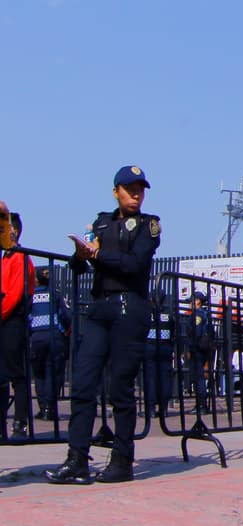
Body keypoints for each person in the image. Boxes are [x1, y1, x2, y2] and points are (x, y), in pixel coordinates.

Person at [45, 166, 161, 485]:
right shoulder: (101, 222)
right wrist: (82, 255)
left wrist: (100, 254)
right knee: (82, 383)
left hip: (130, 306)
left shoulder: (149, 225)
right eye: (129, 188)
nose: (136, 194)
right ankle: (77, 459)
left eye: (140, 188)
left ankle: (122, 459)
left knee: (120, 387)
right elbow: (79, 267)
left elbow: (135, 264)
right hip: (99, 307)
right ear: (116, 192)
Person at [1, 212, 35, 440]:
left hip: (12, 321)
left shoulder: (21, 258)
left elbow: (13, 295)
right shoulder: (6, 258)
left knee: (16, 375)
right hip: (5, 320)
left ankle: (20, 421)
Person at [30, 266, 72, 421]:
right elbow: (67, 316)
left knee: (39, 374)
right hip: (54, 337)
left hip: (36, 337)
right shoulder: (56, 295)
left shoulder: (31, 296)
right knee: (53, 373)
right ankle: (50, 409)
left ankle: (42, 408)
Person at [143, 289, 175, 418]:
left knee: (150, 377)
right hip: (165, 346)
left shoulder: (147, 312)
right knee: (165, 377)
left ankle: (150, 408)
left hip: (150, 346)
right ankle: (164, 408)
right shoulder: (169, 313)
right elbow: (173, 329)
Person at [183, 291, 213, 411]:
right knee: (199, 376)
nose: (190, 303)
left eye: (191, 300)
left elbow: (196, 332)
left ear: (198, 301)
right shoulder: (205, 313)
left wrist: (192, 347)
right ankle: (201, 404)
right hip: (202, 348)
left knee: (198, 377)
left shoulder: (198, 314)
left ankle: (201, 405)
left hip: (197, 348)